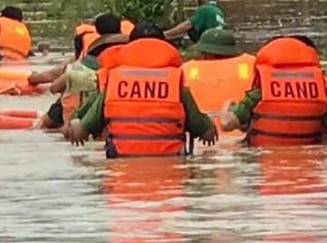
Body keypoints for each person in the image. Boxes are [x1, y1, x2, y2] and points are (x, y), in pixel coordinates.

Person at [65, 23, 218, 158]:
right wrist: (210, 125)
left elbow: (81, 132)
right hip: (170, 174)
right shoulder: (176, 84)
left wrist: (76, 124)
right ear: (165, 47)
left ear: (129, 47)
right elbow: (206, 132)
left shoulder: (114, 82)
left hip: (121, 175)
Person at [220, 36, 327, 145]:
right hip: (309, 159)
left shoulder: (259, 94)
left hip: (263, 159)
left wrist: (228, 104)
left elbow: (226, 124)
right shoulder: (319, 96)